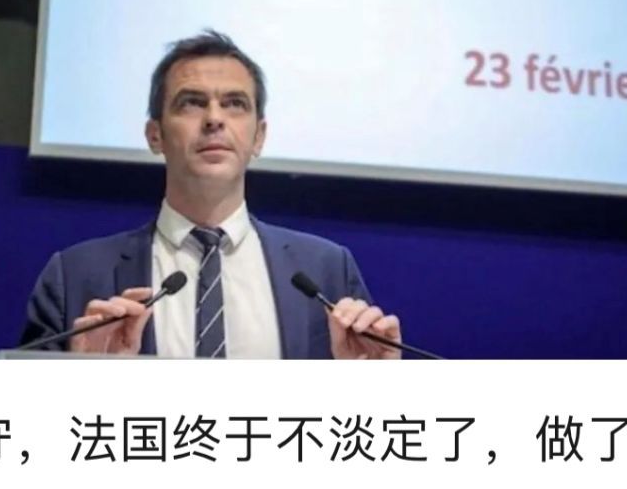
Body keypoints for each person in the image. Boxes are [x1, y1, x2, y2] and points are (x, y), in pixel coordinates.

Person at [22, 30, 401, 359]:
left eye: (235, 104)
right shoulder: (75, 276)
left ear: (259, 136)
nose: (214, 119)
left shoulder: (327, 269)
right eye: (192, 102)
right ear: (155, 135)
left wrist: (379, 383)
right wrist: (82, 378)